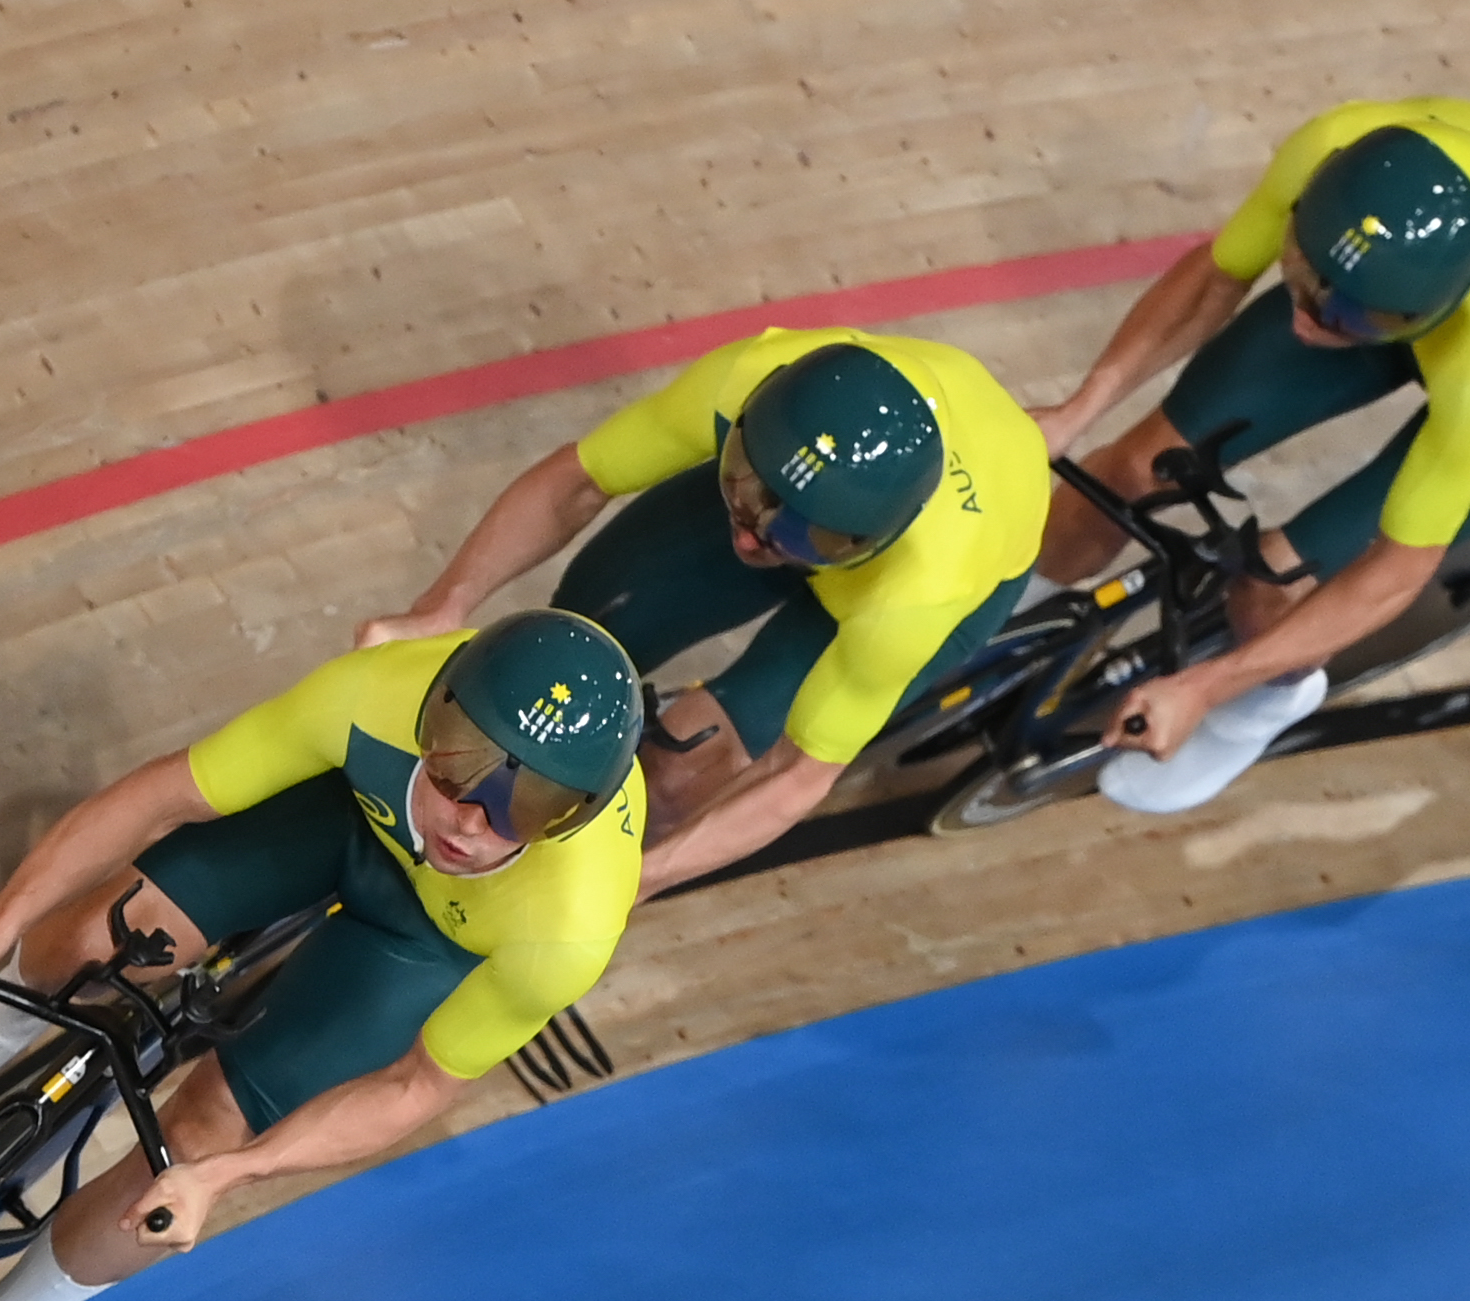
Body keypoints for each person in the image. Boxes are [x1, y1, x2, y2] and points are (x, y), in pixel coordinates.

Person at [0, 610, 647, 1301]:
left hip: (427, 940)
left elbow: (414, 1086)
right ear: (432, 708)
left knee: (203, 1138)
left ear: (573, 819)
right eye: (458, 766)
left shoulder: (568, 927)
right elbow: (160, 797)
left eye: (523, 807)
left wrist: (229, 1177)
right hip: (345, 819)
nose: (471, 821)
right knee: (111, 929)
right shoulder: (373, 694)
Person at [1030, 98, 1470, 812]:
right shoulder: (1329, 152)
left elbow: (1396, 568)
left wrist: (1206, 685)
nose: (1309, 324)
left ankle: (1267, 709)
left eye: (1346, 318)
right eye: (1302, 278)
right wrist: (1076, 410)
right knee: (1132, 467)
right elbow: (1216, 278)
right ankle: (1021, 602)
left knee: (1273, 575)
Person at [355, 329, 1048, 894]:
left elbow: (793, 775)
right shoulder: (751, 373)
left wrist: (634, 884)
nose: (751, 538)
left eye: (796, 534)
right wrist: (441, 608)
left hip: (886, 599)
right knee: (582, 631)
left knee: (679, 775)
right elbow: (577, 482)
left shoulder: (920, 592)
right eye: (745, 491)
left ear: (872, 541)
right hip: (842, 513)